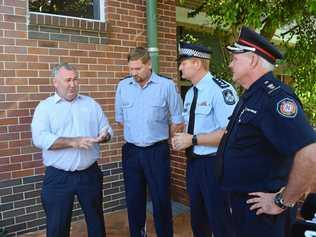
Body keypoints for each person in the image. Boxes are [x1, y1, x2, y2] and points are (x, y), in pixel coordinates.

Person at [216, 26, 316, 237]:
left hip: (261, 215)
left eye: (235, 58)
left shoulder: (276, 98)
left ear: (252, 60)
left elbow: (310, 153)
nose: (230, 63)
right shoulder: (252, 95)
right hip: (240, 207)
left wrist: (283, 201)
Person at [31, 63, 112, 237]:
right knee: (57, 226)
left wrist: (104, 136)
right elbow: (40, 138)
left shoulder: (91, 104)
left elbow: (106, 128)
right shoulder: (45, 107)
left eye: (75, 79)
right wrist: (72, 142)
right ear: (55, 82)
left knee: (96, 222)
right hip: (59, 177)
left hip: (90, 174)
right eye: (67, 80)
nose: (73, 84)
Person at [115, 47, 183, 237]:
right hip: (131, 151)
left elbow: (178, 120)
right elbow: (120, 119)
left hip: (157, 151)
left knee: (161, 199)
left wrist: (161, 135)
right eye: (131, 69)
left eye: (137, 69)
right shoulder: (123, 86)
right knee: (134, 199)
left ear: (149, 64)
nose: (133, 73)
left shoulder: (166, 85)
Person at [172, 42, 237, 237]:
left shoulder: (221, 90)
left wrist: (192, 140)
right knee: (198, 220)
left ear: (197, 63)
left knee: (220, 220)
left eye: (183, 63)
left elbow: (230, 134)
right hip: (193, 164)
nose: (180, 67)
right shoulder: (191, 93)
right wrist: (180, 133)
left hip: (214, 165)